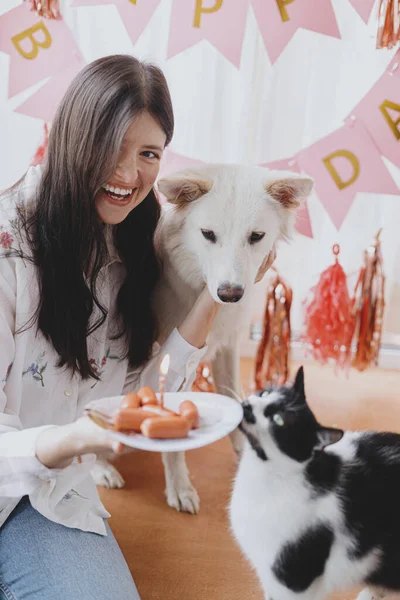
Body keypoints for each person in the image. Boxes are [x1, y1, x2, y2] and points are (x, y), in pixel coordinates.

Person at [0, 55, 275, 600]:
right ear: (70, 137)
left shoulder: (131, 250)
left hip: (50, 501)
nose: (128, 175)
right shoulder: (10, 249)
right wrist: (77, 438)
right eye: (110, 146)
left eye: (147, 153)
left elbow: (139, 396)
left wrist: (213, 295)